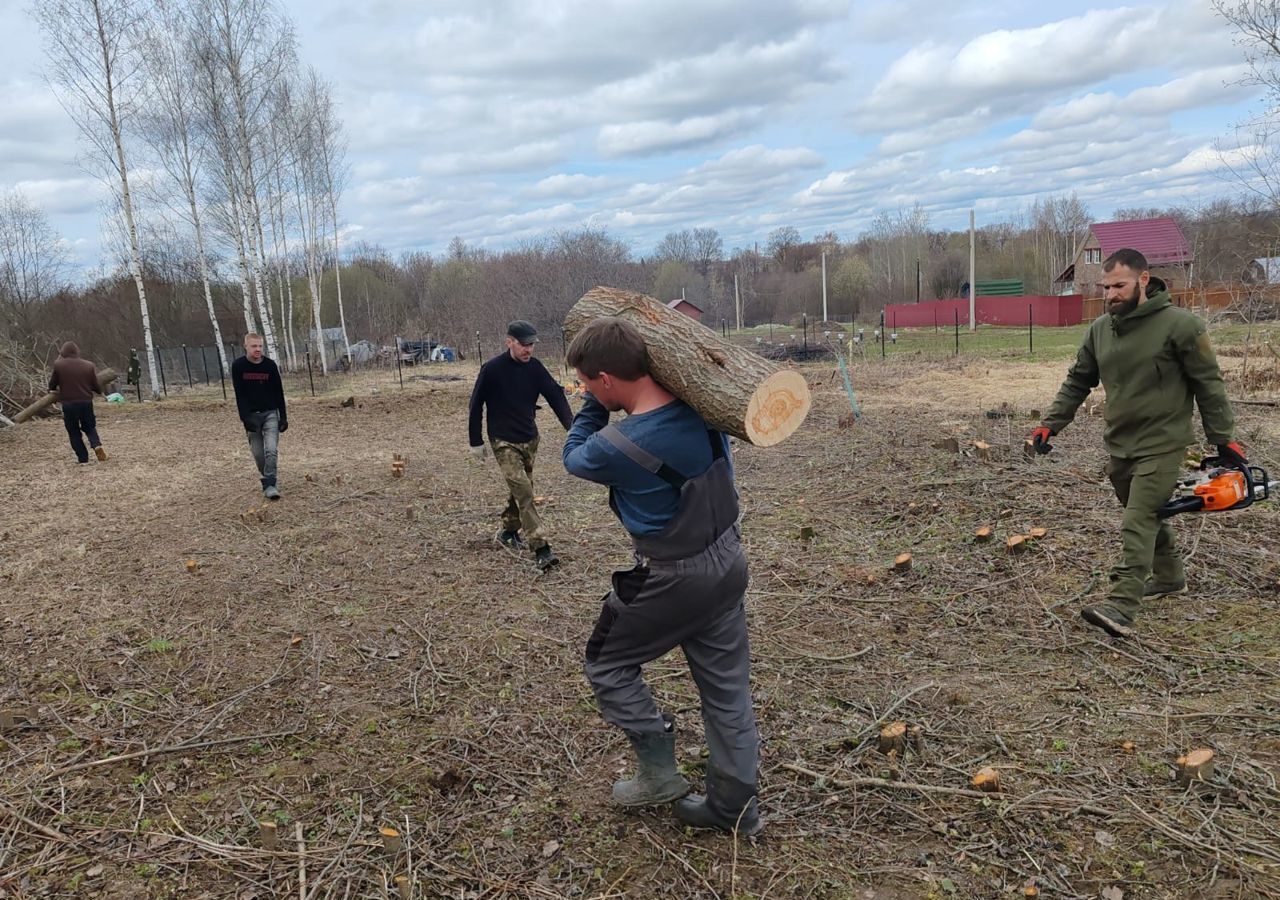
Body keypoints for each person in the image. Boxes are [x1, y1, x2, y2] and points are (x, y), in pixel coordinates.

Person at [562, 317, 761, 836]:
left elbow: (573, 456)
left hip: (673, 577)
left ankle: (658, 772)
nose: (585, 390)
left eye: (587, 382)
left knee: (606, 663)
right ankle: (736, 807)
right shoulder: (706, 410)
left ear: (606, 380)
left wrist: (590, 406)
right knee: (727, 692)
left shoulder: (616, 446)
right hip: (728, 561)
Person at [1031, 248, 1243, 638]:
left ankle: (1122, 605)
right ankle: (1169, 577)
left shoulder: (1181, 326)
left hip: (1163, 442)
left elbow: (1208, 385)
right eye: (1105, 286)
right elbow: (1079, 380)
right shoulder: (1100, 330)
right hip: (1121, 443)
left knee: (1138, 518)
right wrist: (1050, 424)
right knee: (1147, 512)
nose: (1110, 294)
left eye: (1119, 285)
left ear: (1144, 280)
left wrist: (1223, 438)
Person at [468, 320, 573, 571]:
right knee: (525, 492)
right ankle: (541, 548)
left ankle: (508, 530)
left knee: (522, 489)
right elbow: (475, 405)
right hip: (503, 441)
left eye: (531, 345)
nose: (528, 350)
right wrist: (476, 441)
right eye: (523, 345)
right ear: (509, 342)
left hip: (529, 438)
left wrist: (573, 427)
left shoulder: (535, 368)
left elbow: (555, 395)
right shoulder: (491, 369)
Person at [231, 333, 288, 500]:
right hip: (251, 416)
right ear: (246, 347)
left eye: (260, 346)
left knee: (271, 450)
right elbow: (239, 394)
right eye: (254, 346)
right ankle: (269, 480)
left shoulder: (270, 366)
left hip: (270, 413)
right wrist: (245, 419)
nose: (258, 349)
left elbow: (279, 392)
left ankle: (270, 484)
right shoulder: (238, 366)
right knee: (258, 453)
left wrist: (283, 417)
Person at [49, 341, 107, 464]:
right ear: (77, 351)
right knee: (90, 427)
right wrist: (96, 389)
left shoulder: (59, 365)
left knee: (73, 430)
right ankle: (96, 444)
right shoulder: (89, 365)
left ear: (63, 352)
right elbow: (96, 386)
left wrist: (52, 390)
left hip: (69, 403)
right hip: (86, 402)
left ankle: (83, 458)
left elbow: (52, 384)